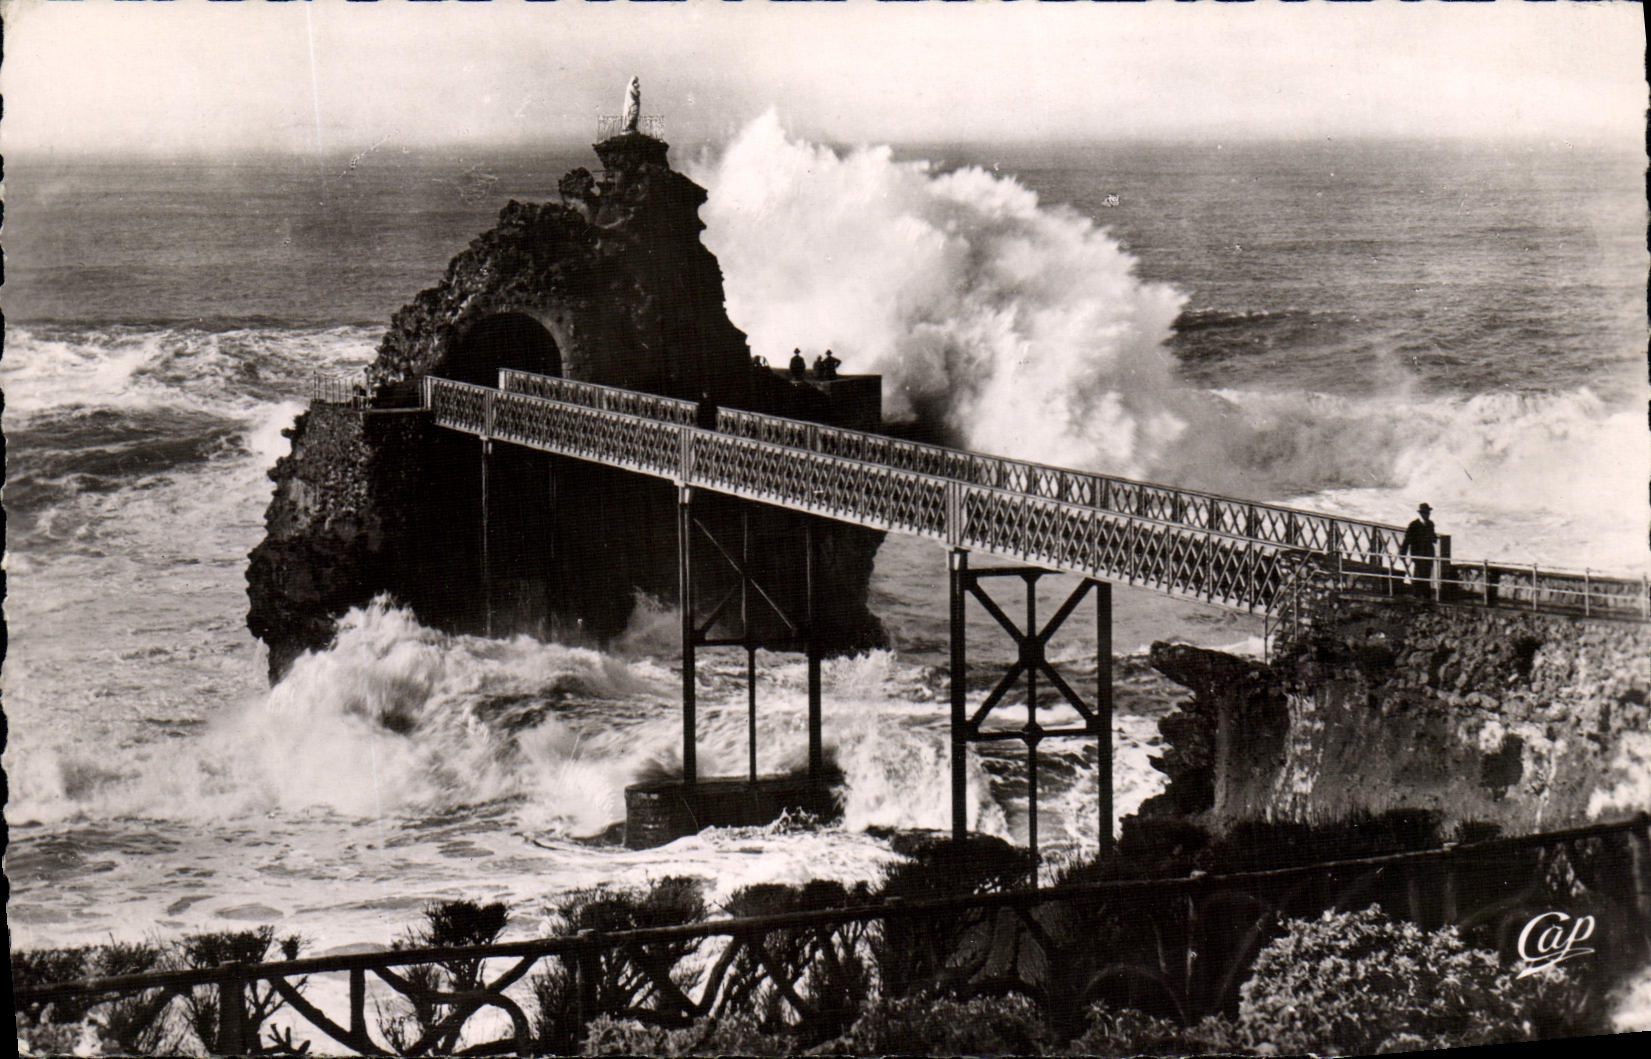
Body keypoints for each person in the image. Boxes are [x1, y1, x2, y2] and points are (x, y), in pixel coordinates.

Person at [1400, 503, 1437, 596]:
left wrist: (1432, 537)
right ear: (1421, 513)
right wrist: (1402, 552)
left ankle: (1425, 595)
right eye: (1426, 513)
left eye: (1428, 512)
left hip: (1428, 553)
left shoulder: (1430, 524)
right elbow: (1407, 539)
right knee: (1419, 574)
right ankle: (1418, 594)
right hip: (1418, 553)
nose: (1428, 514)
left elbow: (1434, 538)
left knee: (1426, 574)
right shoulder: (1414, 525)